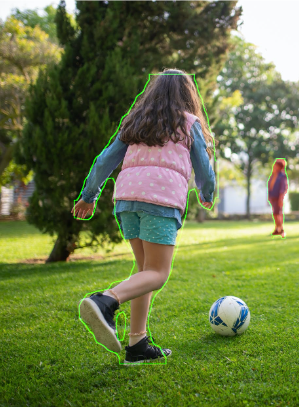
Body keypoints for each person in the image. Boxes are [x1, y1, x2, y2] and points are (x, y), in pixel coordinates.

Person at [72, 69, 216, 365]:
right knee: (158, 274)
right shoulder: (189, 123)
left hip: (126, 200)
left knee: (143, 270)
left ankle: (137, 345)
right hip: (160, 201)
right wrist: (206, 192)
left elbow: (105, 159)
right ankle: (105, 301)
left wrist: (89, 195)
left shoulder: (136, 122)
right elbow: (202, 162)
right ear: (188, 95)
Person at [267, 158, 289, 237]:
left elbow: (283, 187)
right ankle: (277, 229)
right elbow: (269, 186)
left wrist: (281, 197)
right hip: (273, 196)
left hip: (278, 197)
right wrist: (269, 196)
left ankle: (281, 229)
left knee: (278, 213)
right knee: (275, 213)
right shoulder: (273, 175)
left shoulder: (282, 176)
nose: (274, 166)